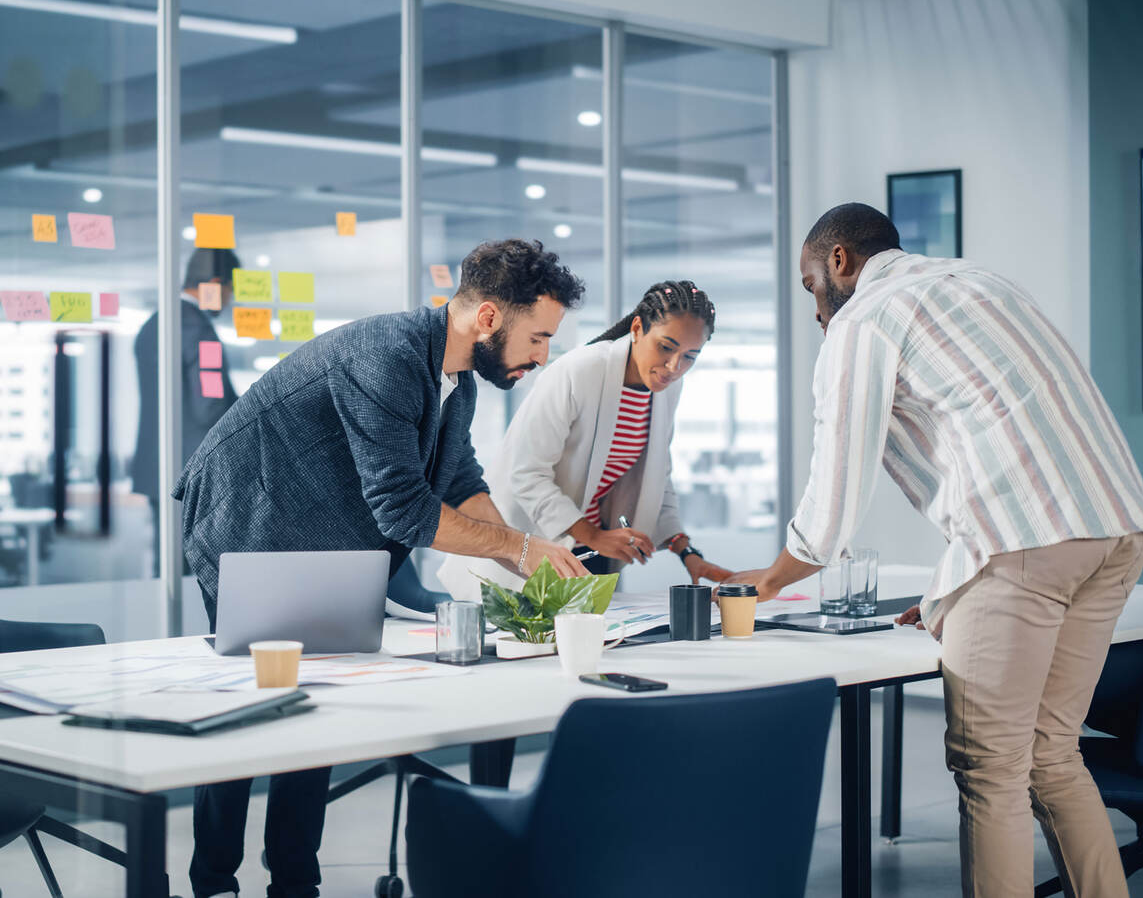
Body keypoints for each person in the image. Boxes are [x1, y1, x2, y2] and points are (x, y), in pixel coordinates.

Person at [730, 203, 1143, 897]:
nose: (817, 310)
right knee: (1053, 758)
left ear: (839, 260)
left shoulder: (863, 320)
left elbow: (835, 489)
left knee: (990, 771)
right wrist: (956, 590)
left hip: (1028, 545)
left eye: (812, 285)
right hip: (1117, 530)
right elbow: (1001, 443)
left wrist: (770, 581)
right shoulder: (980, 283)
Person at [173, 238, 588, 898]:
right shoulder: (390, 354)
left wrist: (528, 553)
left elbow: (457, 479)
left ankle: (293, 881)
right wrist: (518, 550)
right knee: (250, 705)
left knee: (315, 699)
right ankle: (214, 880)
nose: (543, 357)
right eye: (537, 338)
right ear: (487, 319)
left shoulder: (455, 381)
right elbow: (402, 509)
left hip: (322, 536)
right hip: (247, 519)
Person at [439, 280, 732, 601]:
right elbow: (527, 474)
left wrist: (686, 551)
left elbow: (657, 477)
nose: (675, 367)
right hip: (528, 546)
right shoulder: (582, 370)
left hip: (589, 552)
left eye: (690, 356)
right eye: (666, 347)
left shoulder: (666, 389)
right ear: (637, 328)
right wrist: (592, 535)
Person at [131, 248, 238, 574]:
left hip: (159, 467)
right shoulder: (198, 329)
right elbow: (211, 403)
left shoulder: (154, 324)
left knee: (168, 563)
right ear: (216, 284)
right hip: (194, 472)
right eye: (231, 292)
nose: (230, 302)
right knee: (196, 568)